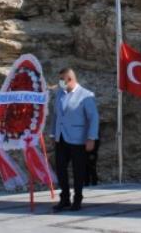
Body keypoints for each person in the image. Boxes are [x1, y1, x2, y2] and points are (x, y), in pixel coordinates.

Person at [51, 68, 99, 212]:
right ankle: (64, 198)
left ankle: (77, 199)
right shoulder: (60, 94)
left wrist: (91, 138)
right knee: (60, 169)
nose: (60, 83)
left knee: (78, 171)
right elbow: (56, 116)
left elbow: (94, 118)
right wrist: (53, 135)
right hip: (61, 139)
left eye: (62, 80)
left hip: (78, 140)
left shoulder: (86, 95)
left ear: (70, 79)